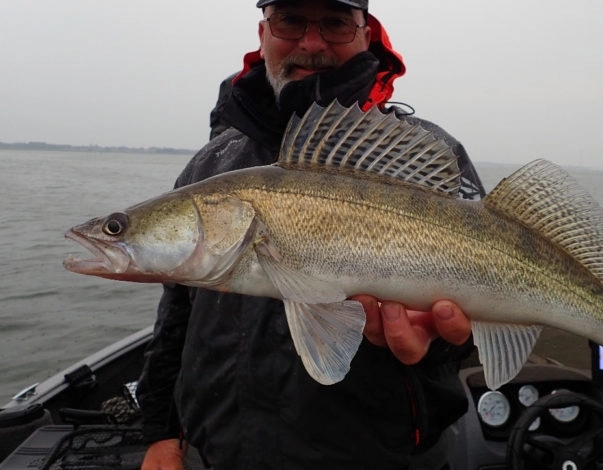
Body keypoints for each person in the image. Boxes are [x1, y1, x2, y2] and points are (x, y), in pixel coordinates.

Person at [137, 1, 485, 469]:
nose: (312, 42)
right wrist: (162, 434)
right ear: (263, 32)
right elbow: (176, 316)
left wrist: (441, 339)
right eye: (291, 21)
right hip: (222, 452)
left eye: (336, 23)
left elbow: (483, 309)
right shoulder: (210, 165)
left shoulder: (427, 156)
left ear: (366, 34)